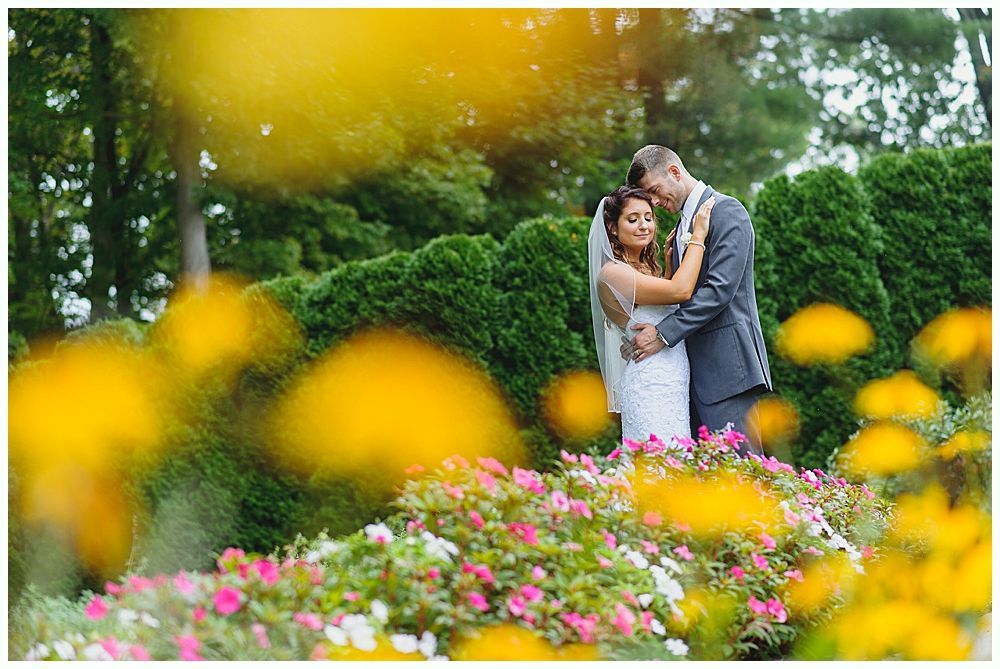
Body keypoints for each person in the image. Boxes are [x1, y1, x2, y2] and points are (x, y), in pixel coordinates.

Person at [624, 145, 772, 454]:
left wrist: (662, 334)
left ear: (675, 172)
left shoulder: (727, 211)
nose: (652, 201)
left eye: (653, 190)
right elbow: (679, 295)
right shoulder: (681, 227)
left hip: (727, 371)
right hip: (688, 375)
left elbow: (718, 290)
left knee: (741, 474)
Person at [588, 184, 715, 444]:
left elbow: (658, 311)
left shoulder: (645, 268)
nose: (644, 225)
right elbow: (680, 291)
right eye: (632, 220)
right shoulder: (613, 273)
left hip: (674, 378)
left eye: (648, 217)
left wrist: (667, 271)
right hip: (649, 383)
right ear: (613, 228)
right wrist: (698, 237)